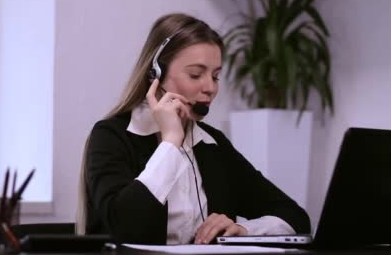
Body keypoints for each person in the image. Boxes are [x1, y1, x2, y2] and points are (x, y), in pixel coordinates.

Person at [75, 13, 310, 245]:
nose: (210, 88)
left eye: (216, 76)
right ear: (155, 74)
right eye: (195, 74)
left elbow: (296, 217)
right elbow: (124, 227)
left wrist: (243, 229)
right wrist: (170, 142)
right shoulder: (111, 136)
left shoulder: (212, 144)